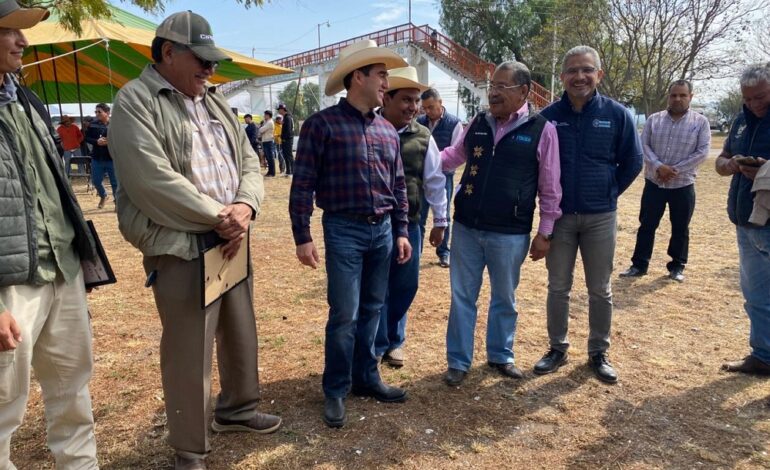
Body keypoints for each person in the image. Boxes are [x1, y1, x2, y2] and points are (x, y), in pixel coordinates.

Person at [108, 11, 281, 470]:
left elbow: (248, 160)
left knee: (240, 330)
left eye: (213, 60)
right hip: (182, 243)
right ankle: (189, 447)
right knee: (189, 349)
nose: (211, 68)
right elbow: (151, 180)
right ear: (168, 52)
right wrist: (220, 217)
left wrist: (245, 207)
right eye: (201, 59)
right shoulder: (135, 101)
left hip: (229, 236)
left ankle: (238, 410)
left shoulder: (214, 101)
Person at [289, 39, 410, 428]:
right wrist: (302, 235)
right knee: (345, 313)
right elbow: (302, 184)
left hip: (383, 230)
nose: (386, 83)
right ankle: (336, 388)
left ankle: (366, 377)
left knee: (373, 307)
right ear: (358, 77)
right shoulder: (321, 125)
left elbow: (398, 186)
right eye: (381, 75)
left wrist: (402, 230)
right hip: (343, 229)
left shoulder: (387, 131)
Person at [0, 2, 100, 468]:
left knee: (73, 392)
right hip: (10, 286)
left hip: (61, 267)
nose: (23, 41)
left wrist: (77, 256)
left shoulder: (26, 99)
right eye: (10, 31)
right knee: (3, 406)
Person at [440, 61, 562, 386]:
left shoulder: (542, 130)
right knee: (462, 296)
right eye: (491, 86)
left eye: (501, 87)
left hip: (510, 232)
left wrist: (545, 232)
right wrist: (420, 158)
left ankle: (500, 355)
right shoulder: (478, 122)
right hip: (466, 226)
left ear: (523, 91)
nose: (493, 93)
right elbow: (453, 156)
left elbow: (550, 187)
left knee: (504, 297)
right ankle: (458, 361)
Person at [536, 45, 642, 384]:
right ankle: (557, 348)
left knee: (600, 289)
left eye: (586, 69)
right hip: (560, 218)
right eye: (572, 70)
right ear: (562, 76)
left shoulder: (617, 114)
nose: (579, 76)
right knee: (558, 287)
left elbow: (633, 161)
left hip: (600, 217)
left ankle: (598, 351)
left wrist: (607, 191)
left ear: (599, 74)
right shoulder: (548, 117)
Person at [375, 67, 447, 368]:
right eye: (406, 100)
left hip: (411, 223)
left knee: (406, 284)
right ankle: (381, 343)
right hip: (375, 224)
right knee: (376, 286)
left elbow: (435, 180)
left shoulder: (422, 136)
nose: (414, 107)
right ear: (386, 98)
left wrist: (440, 222)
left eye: (416, 101)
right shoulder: (368, 128)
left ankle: (394, 338)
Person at [620, 80, 710, 282]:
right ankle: (639, 265)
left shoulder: (700, 122)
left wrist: (675, 170)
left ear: (690, 97)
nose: (677, 99)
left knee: (680, 227)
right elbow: (643, 145)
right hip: (654, 183)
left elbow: (703, 152)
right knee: (646, 225)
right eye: (674, 95)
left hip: (683, 185)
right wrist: (659, 166)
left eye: (682, 95)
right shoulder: (654, 120)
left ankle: (677, 266)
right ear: (668, 97)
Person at [716, 64, 770, 376]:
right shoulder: (739, 120)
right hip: (746, 221)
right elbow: (721, 161)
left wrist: (766, 170)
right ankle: (763, 355)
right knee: (756, 296)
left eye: (760, 97)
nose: (753, 104)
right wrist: (731, 165)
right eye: (747, 99)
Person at [417, 88, 463, 268]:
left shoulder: (455, 124)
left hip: (445, 176)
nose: (428, 111)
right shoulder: (419, 123)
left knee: (443, 215)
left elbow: (456, 152)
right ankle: (416, 253)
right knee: (419, 216)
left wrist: (435, 165)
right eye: (425, 108)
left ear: (440, 103)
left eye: (431, 107)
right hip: (421, 177)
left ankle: (444, 253)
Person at [86, 102, 117, 209]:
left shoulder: (115, 124)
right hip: (97, 158)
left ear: (107, 112)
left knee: (115, 183)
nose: (97, 114)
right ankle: (103, 196)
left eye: (99, 112)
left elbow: (122, 138)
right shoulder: (93, 125)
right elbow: (87, 138)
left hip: (112, 158)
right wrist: (96, 141)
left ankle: (117, 202)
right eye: (96, 112)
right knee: (96, 181)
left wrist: (110, 141)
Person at [277, 103, 295, 176]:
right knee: (286, 156)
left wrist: (284, 138)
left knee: (289, 155)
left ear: (282, 109)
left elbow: (288, 130)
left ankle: (293, 171)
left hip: (288, 139)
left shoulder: (288, 118)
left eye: (279, 109)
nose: (278, 111)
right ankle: (288, 171)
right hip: (285, 140)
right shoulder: (285, 117)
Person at [259, 109, 276, 176]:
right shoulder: (266, 122)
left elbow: (261, 130)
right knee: (268, 158)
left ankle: (272, 172)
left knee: (270, 157)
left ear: (268, 115)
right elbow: (261, 130)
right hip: (265, 141)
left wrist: (261, 128)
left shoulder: (270, 122)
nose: (264, 116)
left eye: (265, 115)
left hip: (269, 141)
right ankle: (270, 172)